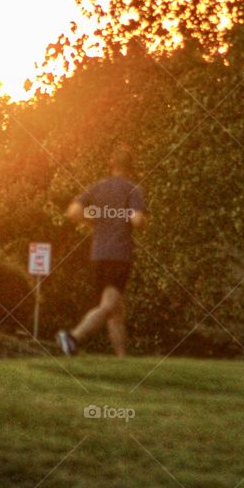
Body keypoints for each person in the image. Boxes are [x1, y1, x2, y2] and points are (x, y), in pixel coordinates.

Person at [56, 148, 148, 357]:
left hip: (98, 254)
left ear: (111, 165)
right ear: (131, 168)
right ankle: (73, 337)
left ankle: (122, 359)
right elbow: (136, 219)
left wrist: (94, 222)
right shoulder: (132, 189)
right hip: (119, 255)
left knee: (116, 311)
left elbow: (73, 212)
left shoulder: (98, 187)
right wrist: (143, 221)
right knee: (109, 305)